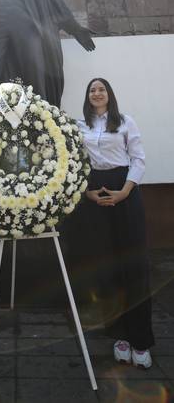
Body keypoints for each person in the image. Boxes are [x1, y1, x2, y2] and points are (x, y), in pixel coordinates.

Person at [71, 78, 154, 368]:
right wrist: (87, 192)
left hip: (125, 190)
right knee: (106, 267)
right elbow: (74, 163)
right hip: (96, 194)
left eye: (101, 89)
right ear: (88, 96)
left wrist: (125, 192)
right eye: (92, 89)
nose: (96, 93)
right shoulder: (78, 126)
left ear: (109, 95)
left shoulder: (125, 122)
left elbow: (138, 159)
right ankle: (119, 335)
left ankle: (141, 340)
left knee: (134, 265)